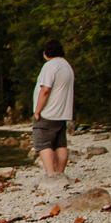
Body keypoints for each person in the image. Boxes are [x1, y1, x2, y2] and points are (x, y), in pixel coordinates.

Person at [32, 38, 75, 176]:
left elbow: (45, 90)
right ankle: (60, 174)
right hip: (63, 113)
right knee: (60, 144)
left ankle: (51, 175)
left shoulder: (50, 66)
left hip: (48, 112)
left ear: (46, 52)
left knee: (44, 144)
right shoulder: (67, 66)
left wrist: (38, 111)